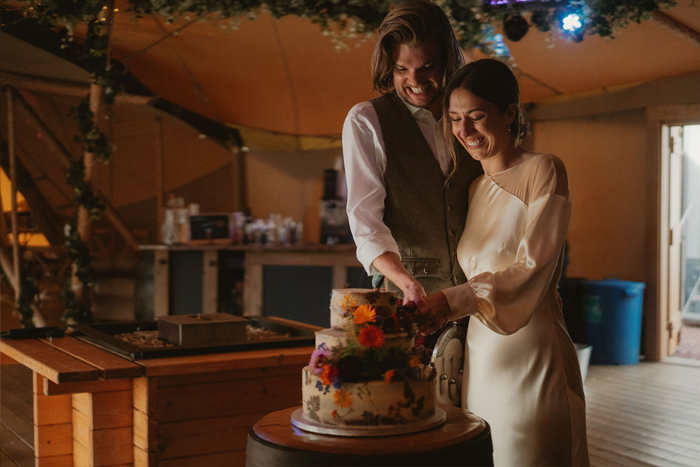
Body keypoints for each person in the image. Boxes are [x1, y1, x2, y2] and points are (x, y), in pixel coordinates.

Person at [417, 59, 589, 466]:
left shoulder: (544, 169)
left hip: (534, 357)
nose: (464, 132)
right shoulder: (474, 188)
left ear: (509, 113)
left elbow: (534, 267)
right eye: (455, 119)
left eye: (476, 117)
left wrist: (455, 299)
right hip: (481, 360)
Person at [342, 0, 483, 305]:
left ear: (447, 59)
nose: (415, 82)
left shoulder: (474, 113)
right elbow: (366, 222)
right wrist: (407, 282)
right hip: (405, 298)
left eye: (426, 68)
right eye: (401, 69)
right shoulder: (367, 121)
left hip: (476, 297)